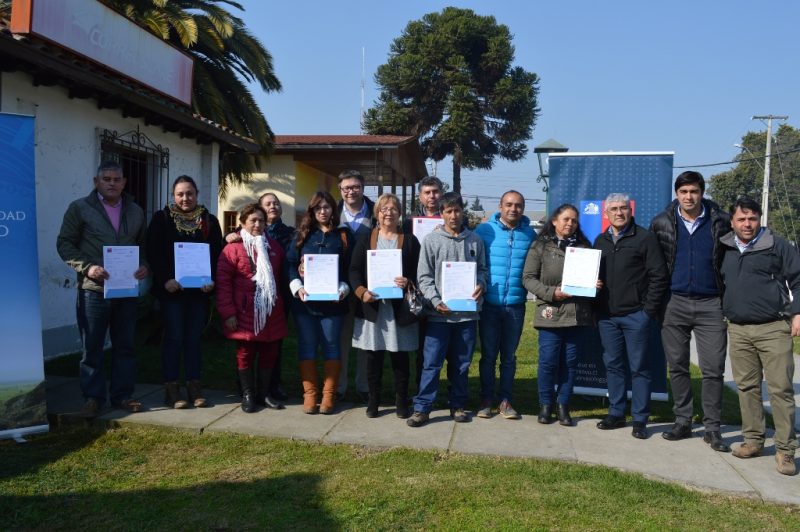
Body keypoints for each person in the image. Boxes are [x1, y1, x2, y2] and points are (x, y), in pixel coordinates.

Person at [56, 161, 149, 416]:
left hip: (126, 290)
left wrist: (143, 266)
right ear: (96, 181)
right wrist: (86, 268)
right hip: (93, 290)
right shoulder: (80, 208)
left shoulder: (136, 211)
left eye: (116, 179)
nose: (111, 183)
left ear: (124, 182)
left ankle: (122, 396)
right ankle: (93, 398)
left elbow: (142, 247)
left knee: (125, 346)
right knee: (92, 348)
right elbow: (64, 243)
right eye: (106, 179)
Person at [649, 171, 731, 451]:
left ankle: (713, 428)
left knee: (713, 369)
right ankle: (683, 420)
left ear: (702, 192)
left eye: (694, 191)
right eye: (683, 192)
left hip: (711, 304)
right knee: (678, 366)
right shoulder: (661, 222)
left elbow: (730, 261)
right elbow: (653, 264)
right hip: (674, 303)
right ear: (677, 194)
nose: (688, 197)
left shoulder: (721, 221)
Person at [718, 198, 799, 476]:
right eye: (741, 219)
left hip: (774, 328)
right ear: (732, 222)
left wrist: (798, 313)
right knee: (747, 387)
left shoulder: (777, 245)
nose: (747, 224)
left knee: (780, 390)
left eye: (752, 218)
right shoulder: (726, 246)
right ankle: (753, 440)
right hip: (739, 329)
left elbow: (798, 279)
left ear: (759, 219)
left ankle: (786, 451)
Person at [407, 192, 487, 427]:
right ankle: (422, 408)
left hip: (467, 316)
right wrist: (434, 300)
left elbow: (482, 269)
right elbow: (423, 276)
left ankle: (458, 405)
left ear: (463, 212)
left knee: (461, 364)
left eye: (457, 210)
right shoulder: (432, 241)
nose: (453, 215)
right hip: (438, 316)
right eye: (448, 211)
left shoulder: (475, 240)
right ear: (441, 214)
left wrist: (481, 284)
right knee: (431, 363)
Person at [593, 193, 669, 439]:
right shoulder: (600, 241)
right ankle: (616, 413)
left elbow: (659, 277)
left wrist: (647, 311)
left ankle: (640, 419)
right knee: (613, 365)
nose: (618, 212)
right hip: (607, 316)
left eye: (623, 208)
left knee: (639, 368)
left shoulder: (645, 238)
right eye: (613, 209)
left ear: (630, 210)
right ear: (606, 214)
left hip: (636, 315)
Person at [146, 175, 223, 409]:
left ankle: (194, 386)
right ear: (173, 195)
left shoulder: (209, 220)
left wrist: (212, 281)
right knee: (174, 338)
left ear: (197, 194)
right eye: (180, 194)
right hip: (172, 291)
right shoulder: (162, 219)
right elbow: (153, 252)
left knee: (193, 339)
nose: (185, 198)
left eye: (189, 193)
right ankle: (171, 389)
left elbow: (217, 254)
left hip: (199, 292)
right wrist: (165, 279)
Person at [523, 204, 596, 426]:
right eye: (565, 219)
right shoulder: (540, 246)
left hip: (576, 314)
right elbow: (528, 278)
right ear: (554, 221)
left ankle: (563, 405)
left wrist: (595, 283)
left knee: (571, 362)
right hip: (550, 313)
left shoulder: (585, 247)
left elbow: (591, 279)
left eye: (574, 220)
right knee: (548, 362)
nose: (570, 224)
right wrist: (552, 293)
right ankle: (545, 404)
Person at [349, 193, 421, 418]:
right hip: (373, 307)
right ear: (377, 213)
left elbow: (420, 273)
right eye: (383, 209)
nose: (388, 212)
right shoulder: (365, 239)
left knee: (400, 359)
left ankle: (401, 401)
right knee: (373, 357)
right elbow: (354, 270)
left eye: (393, 208)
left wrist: (407, 281)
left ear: (400, 213)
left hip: (399, 309)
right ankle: (374, 401)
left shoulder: (410, 240)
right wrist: (362, 292)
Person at [216, 203, 288, 413]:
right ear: (242, 223)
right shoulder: (232, 248)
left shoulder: (273, 247)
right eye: (252, 220)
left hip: (271, 310)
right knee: (245, 353)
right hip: (244, 311)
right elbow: (223, 283)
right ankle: (248, 394)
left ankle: (264, 394)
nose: (257, 224)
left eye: (261, 220)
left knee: (270, 352)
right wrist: (228, 313)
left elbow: (283, 275)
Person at [287, 191, 353, 414]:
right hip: (305, 304)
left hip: (334, 305)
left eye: (327, 207)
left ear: (333, 209)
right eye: (318, 208)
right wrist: (297, 286)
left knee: (332, 346)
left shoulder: (343, 236)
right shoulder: (302, 235)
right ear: (312, 211)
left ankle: (328, 395)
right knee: (307, 346)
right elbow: (289, 265)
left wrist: (343, 288)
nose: (323, 211)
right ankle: (310, 394)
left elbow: (351, 269)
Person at [474, 190, 536, 420]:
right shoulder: (483, 231)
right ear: (500, 206)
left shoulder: (530, 235)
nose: (513, 209)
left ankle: (506, 400)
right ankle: (486, 399)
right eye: (509, 204)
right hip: (490, 304)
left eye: (518, 205)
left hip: (516, 306)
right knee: (489, 356)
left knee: (509, 356)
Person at [336, 170, 375, 401]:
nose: (351, 191)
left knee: (364, 338)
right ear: (340, 190)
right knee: (341, 338)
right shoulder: (330, 213)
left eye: (355, 187)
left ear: (363, 187)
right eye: (346, 188)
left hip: (367, 287)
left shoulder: (377, 214)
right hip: (338, 287)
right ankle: (340, 387)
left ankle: (363, 386)